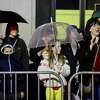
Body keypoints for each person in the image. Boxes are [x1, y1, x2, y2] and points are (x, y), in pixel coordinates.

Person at [0, 22, 29, 100]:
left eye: (16, 28)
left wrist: (23, 87)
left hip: (18, 79)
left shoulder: (21, 42)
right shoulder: (3, 41)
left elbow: (25, 60)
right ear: (8, 29)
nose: (15, 30)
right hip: (4, 82)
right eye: (12, 28)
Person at [79, 14, 100, 100]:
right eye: (95, 25)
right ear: (90, 28)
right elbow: (81, 58)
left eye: (98, 25)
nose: (98, 27)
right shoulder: (84, 41)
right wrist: (91, 46)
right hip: (88, 78)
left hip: (98, 77)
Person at [61, 25, 84, 99]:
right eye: (74, 31)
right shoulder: (64, 46)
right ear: (69, 33)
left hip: (77, 78)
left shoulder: (81, 45)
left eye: (76, 31)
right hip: (68, 77)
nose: (76, 33)